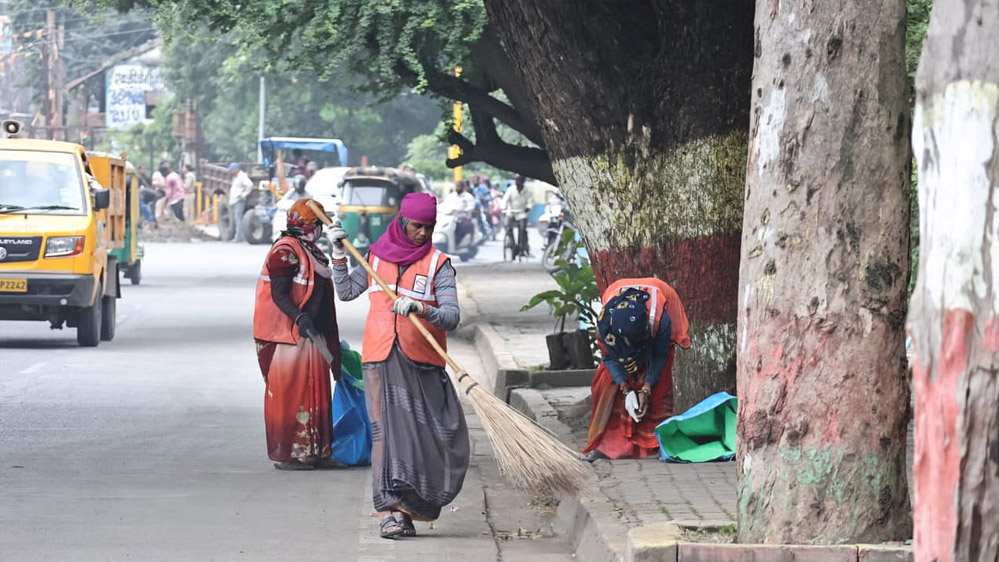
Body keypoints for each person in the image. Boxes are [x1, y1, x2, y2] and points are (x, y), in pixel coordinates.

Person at [330, 192, 469, 539]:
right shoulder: (375, 256)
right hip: (379, 357)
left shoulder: (439, 264)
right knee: (386, 436)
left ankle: (415, 505)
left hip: (422, 363)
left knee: (427, 436)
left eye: (429, 227)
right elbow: (346, 292)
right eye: (417, 226)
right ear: (403, 223)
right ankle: (390, 512)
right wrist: (337, 255)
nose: (423, 233)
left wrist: (422, 309)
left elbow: (451, 317)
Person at [253, 198, 342, 470]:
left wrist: (338, 248)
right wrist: (300, 317)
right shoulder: (284, 251)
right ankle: (288, 455)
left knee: (315, 392)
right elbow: (279, 294)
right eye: (317, 223)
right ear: (307, 225)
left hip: (312, 333)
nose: (318, 229)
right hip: (291, 335)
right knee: (291, 395)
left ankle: (316, 452)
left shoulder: (310, 249)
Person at [581, 278, 691, 462]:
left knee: (660, 382)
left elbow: (659, 356)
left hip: (663, 301)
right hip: (619, 299)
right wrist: (625, 388)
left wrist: (646, 388)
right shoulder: (605, 326)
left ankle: (653, 442)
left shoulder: (660, 321)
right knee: (605, 383)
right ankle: (607, 445)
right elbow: (608, 357)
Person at [501, 175, 532, 256]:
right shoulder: (511, 189)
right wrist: (503, 208)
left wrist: (528, 207)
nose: (518, 183)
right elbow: (505, 199)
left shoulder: (527, 191)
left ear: (523, 182)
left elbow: (530, 202)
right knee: (507, 226)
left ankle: (521, 245)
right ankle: (512, 244)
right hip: (511, 211)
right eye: (517, 181)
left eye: (520, 181)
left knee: (522, 229)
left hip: (521, 212)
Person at [442, 180, 477, 247]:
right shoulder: (451, 196)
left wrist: (463, 210)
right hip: (450, 218)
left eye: (460, 186)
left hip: (463, 218)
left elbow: (471, 207)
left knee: (462, 228)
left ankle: (459, 244)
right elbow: (444, 205)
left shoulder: (468, 197)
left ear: (464, 187)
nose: (458, 188)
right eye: (457, 186)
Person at [228, 163, 254, 242]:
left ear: (236, 169)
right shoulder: (236, 177)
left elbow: (250, 185)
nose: (230, 172)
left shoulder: (242, 176)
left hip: (239, 201)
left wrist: (243, 194)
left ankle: (239, 237)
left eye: (231, 171)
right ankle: (239, 236)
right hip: (235, 201)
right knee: (237, 218)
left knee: (238, 219)